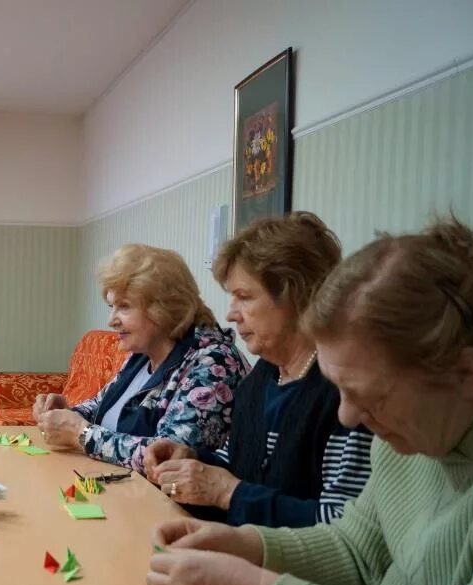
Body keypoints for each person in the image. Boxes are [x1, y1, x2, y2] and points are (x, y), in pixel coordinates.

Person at [146, 219, 473, 585]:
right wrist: (246, 545)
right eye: (339, 389)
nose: (349, 417)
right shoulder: (409, 437)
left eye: (368, 393)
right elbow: (357, 550)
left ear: (465, 373)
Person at [143, 212, 372, 526]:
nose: (231, 314)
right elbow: (236, 464)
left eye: (244, 297)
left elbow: (344, 525)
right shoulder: (260, 378)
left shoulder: (344, 393)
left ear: (296, 295)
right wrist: (190, 458)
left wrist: (228, 494)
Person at [33, 244, 248, 471]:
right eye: (111, 306)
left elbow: (168, 457)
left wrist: (81, 434)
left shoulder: (214, 364)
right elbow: (97, 408)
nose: (111, 320)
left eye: (124, 307)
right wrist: (65, 413)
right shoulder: (141, 355)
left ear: (165, 307)